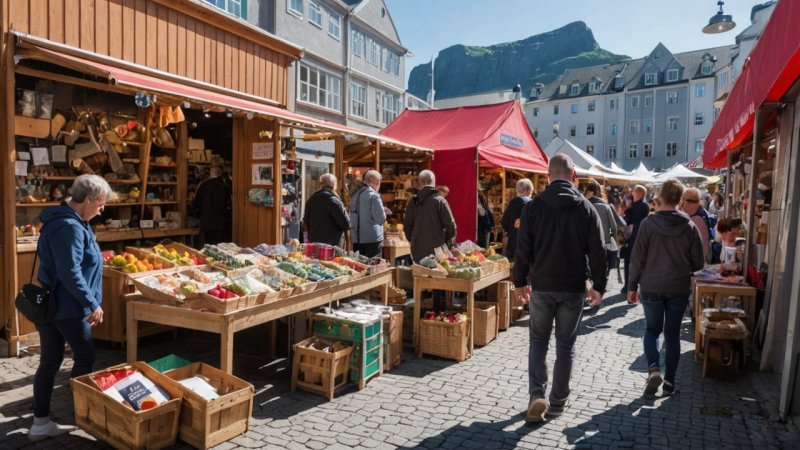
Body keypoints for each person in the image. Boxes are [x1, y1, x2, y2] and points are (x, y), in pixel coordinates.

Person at [513, 154, 607, 423]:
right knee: (565, 346)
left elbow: (523, 249)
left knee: (538, 342)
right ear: (574, 175)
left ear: (547, 177)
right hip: (573, 287)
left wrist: (520, 281)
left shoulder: (533, 207)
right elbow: (598, 252)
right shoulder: (586, 207)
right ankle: (557, 401)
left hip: (542, 284)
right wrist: (598, 286)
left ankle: (536, 395)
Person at [30, 174, 112, 441]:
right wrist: (91, 303)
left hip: (53, 305)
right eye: (100, 204)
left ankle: (41, 423)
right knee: (85, 357)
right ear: (87, 200)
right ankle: (83, 417)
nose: (102, 209)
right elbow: (70, 271)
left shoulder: (67, 221)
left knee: (50, 361)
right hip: (69, 307)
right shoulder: (70, 227)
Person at [627, 179, 705, 396]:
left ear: (660, 197)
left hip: (651, 286)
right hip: (678, 287)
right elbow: (698, 263)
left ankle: (653, 369)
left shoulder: (648, 224)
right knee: (672, 335)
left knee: (652, 330)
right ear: (680, 200)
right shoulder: (689, 226)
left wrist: (631, 285)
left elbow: (637, 258)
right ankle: (669, 382)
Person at [404, 170, 457, 311]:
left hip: (417, 248)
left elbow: (407, 225)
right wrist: (447, 243)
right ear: (433, 182)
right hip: (437, 249)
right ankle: (437, 313)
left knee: (421, 280)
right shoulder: (440, 201)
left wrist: (413, 240)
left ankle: (420, 312)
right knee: (438, 281)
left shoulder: (413, 201)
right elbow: (451, 227)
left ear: (420, 183)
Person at [349, 169, 391, 258]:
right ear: (376, 181)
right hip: (372, 238)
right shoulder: (374, 196)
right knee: (374, 268)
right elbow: (380, 219)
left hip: (356, 238)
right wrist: (384, 211)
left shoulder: (355, 194)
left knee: (360, 265)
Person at [584, 180, 620, 279]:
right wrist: (610, 237)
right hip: (604, 241)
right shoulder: (606, 206)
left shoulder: (583, 206)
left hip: (588, 243)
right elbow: (613, 227)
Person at [303, 173, 350, 246]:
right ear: (334, 185)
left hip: (315, 241)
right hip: (332, 243)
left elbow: (306, 221)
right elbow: (345, 224)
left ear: (321, 184)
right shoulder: (333, 200)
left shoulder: (311, 199)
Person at [620, 185, 650, 294]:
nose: (632, 193)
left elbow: (629, 218)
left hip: (634, 236)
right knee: (635, 262)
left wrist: (628, 207)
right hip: (638, 235)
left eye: (635, 192)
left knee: (630, 262)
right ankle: (630, 285)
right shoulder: (644, 206)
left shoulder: (639, 206)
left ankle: (628, 286)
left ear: (640, 194)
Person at [193, 165, 229, 245]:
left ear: (210, 173)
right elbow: (227, 203)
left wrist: (196, 214)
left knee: (207, 243)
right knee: (218, 244)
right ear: (220, 174)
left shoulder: (204, 185)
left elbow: (197, 202)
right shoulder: (224, 186)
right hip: (220, 221)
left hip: (206, 220)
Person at [501, 178, 533, 261]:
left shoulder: (511, 203)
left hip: (511, 245)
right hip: (527, 247)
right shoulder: (532, 205)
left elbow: (504, 223)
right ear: (528, 190)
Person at [680, 187, 711, 263]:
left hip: (697, 266)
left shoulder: (696, 219)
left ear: (686, 201)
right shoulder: (698, 213)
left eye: (682, 199)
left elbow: (700, 249)